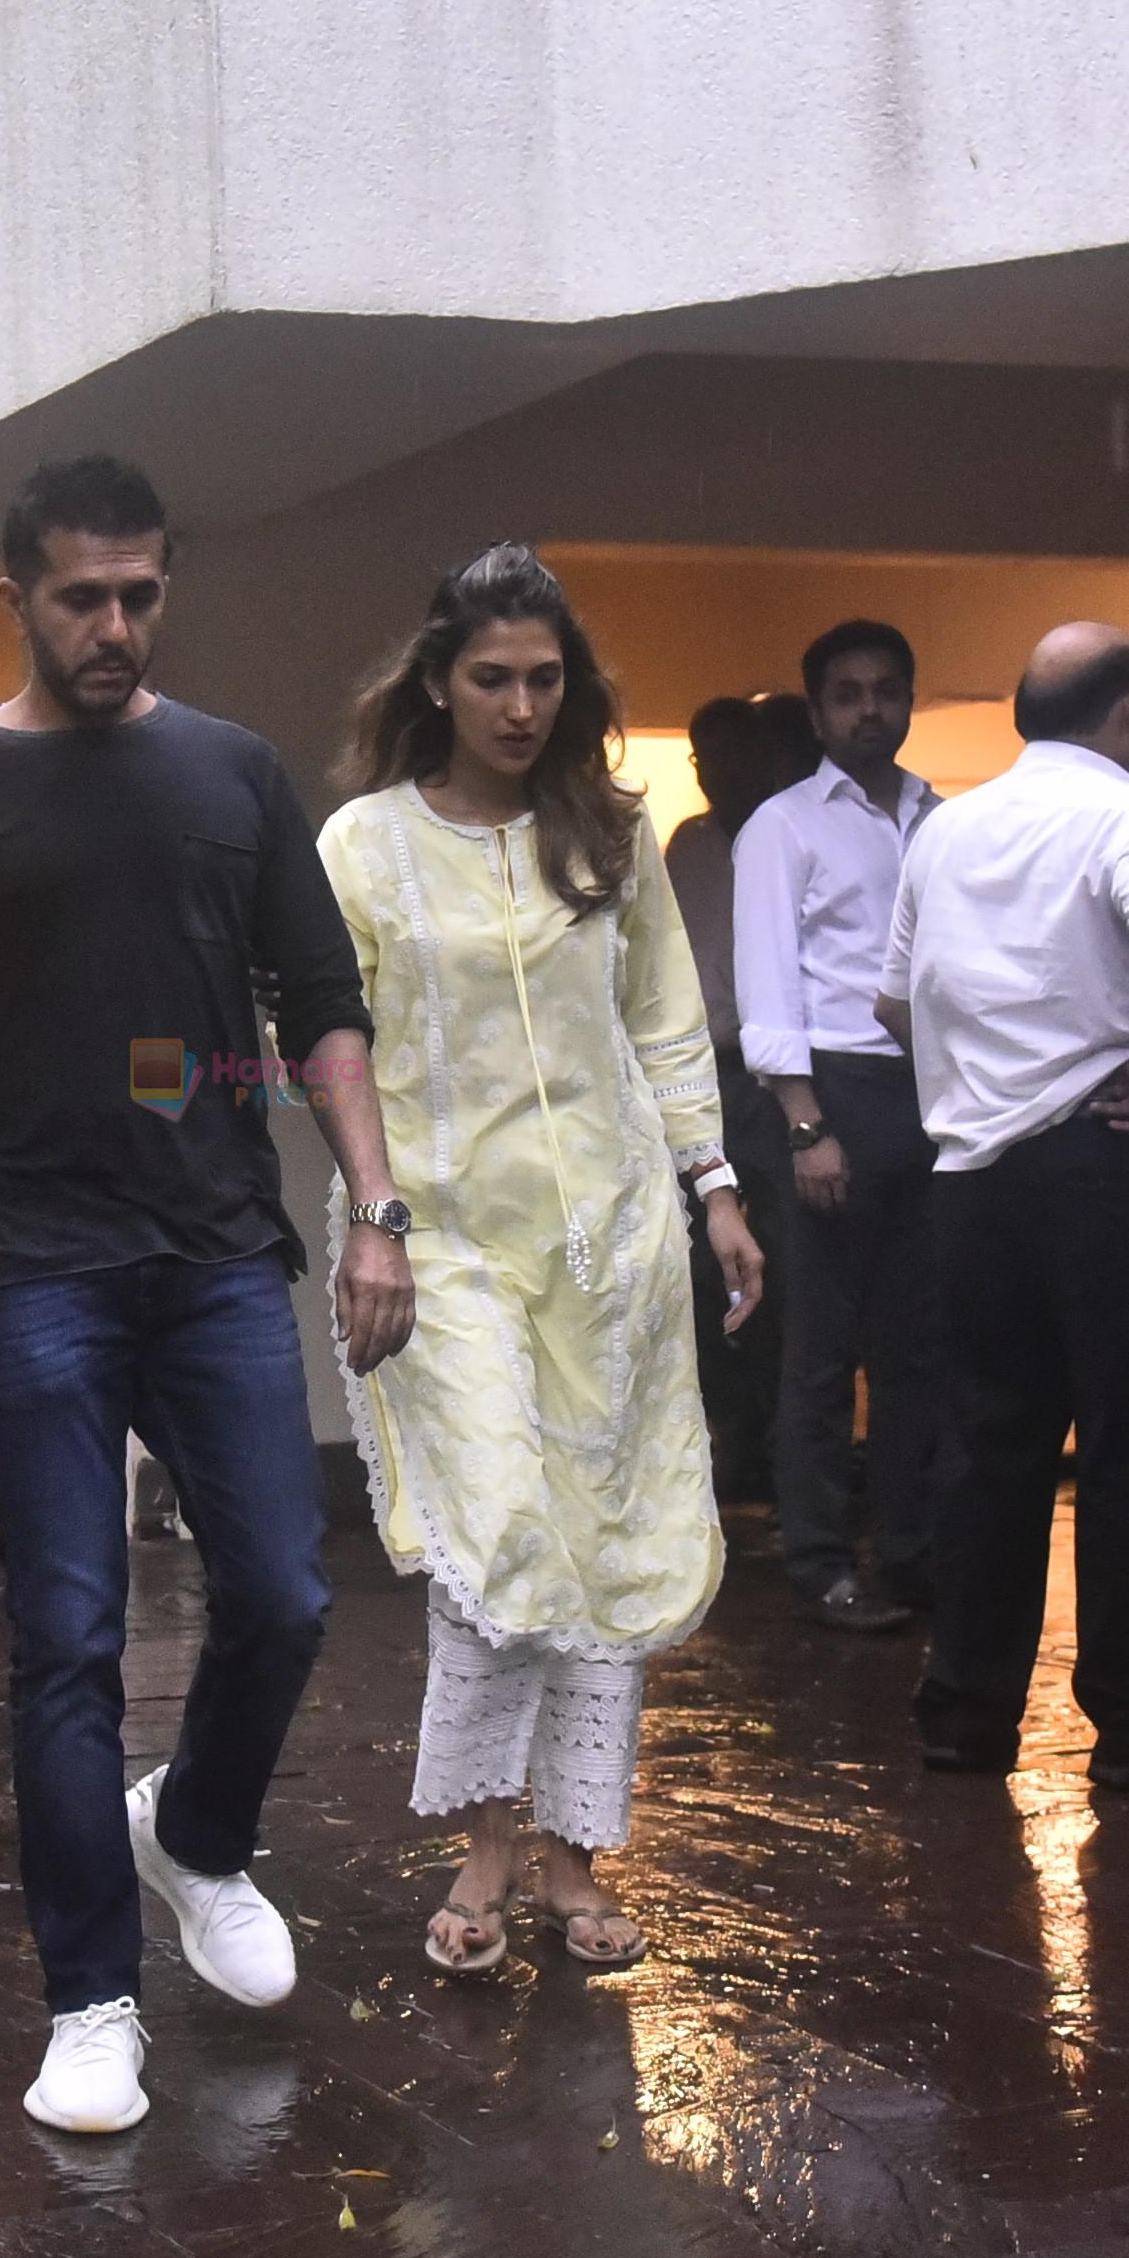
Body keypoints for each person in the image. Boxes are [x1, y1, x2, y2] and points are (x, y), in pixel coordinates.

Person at [0, 452, 403, 2137]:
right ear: (13, 591)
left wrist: (378, 1203)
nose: (114, 625)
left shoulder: (229, 770)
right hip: (25, 1265)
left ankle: (196, 1834)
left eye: (140, 592)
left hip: (216, 1247)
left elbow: (321, 996)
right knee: (64, 1642)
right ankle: (91, 1996)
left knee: (286, 1594)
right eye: (80, 595)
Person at [323, 549, 765, 1977]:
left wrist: (718, 1189)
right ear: (438, 684)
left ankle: (565, 1854)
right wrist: (374, 1218)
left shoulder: (610, 836)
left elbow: (665, 1022)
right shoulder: (365, 848)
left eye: (545, 679)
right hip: (438, 1242)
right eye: (492, 679)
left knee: (600, 1535)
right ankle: (487, 1842)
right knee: (500, 1526)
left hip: (610, 1245)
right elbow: (333, 1046)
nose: (519, 706)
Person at [887, 625, 1129, 1790]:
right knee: (1128, 1448)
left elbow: (894, 1001)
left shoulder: (945, 825)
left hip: (972, 1184)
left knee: (986, 1450)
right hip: (1101, 1164)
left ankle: (966, 1716)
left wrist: (981, 1073)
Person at [733, 619, 942, 1631]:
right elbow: (769, 976)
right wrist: (805, 1122)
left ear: (910, 700)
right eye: (850, 693)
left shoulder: (940, 818)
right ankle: (819, 1558)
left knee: (914, 1345)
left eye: (887, 690)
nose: (872, 709)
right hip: (829, 1094)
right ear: (818, 711)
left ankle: (909, 1549)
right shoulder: (785, 823)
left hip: (930, 1096)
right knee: (819, 1347)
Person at [660, 694, 795, 1504]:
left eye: (728, 754)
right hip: (702, 1074)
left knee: (782, 1261)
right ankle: (734, 1438)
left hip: (772, 1075)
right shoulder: (689, 845)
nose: (715, 772)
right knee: (708, 1270)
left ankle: (782, 1445)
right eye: (700, 758)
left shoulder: (786, 833)